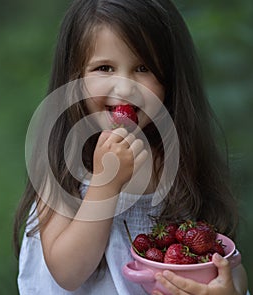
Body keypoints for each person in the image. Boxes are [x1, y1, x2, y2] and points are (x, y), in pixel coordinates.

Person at [13, 0, 249, 294]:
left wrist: (231, 289)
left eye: (142, 67)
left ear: (171, 80)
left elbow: (225, 262)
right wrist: (104, 185)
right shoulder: (64, 166)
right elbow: (66, 273)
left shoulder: (181, 164)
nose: (124, 88)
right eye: (104, 68)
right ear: (75, 79)